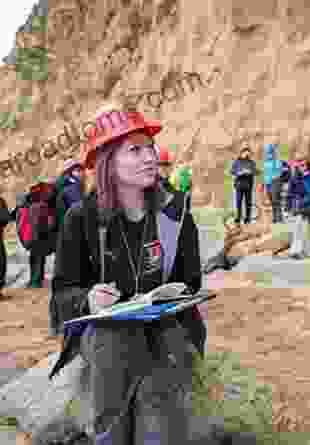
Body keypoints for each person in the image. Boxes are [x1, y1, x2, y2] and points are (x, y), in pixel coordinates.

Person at [47, 104, 207, 444]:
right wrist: (87, 298)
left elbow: (191, 282)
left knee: (163, 353)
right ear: (108, 162)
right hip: (106, 335)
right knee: (115, 338)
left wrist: (169, 297)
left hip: (163, 326)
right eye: (135, 150)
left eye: (149, 147)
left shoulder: (175, 213)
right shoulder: (81, 218)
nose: (150, 157)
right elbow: (61, 296)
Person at [26, 179, 57, 288]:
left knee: (33, 259)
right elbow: (50, 223)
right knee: (39, 259)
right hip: (41, 236)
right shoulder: (43, 206)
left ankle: (32, 280)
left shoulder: (29, 206)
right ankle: (37, 281)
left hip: (31, 236)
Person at [52, 159, 82, 231]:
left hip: (66, 224)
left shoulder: (60, 185)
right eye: (78, 170)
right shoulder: (70, 187)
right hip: (72, 224)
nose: (81, 173)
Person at [262, 143, 289, 224]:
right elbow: (265, 173)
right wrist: (264, 184)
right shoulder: (265, 162)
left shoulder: (277, 161)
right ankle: (275, 218)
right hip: (268, 182)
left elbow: (281, 170)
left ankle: (279, 218)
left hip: (275, 181)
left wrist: (281, 170)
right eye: (266, 151)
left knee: (276, 199)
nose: (267, 152)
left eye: (269, 151)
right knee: (272, 200)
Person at [230, 146, 257, 224]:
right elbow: (232, 171)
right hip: (239, 185)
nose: (247, 154)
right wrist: (239, 173)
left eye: (249, 153)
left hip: (248, 185)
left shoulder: (251, 162)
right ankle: (238, 217)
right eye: (246, 152)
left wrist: (251, 172)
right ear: (242, 153)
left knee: (248, 203)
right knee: (238, 202)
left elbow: (256, 171)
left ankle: (248, 218)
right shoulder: (237, 162)